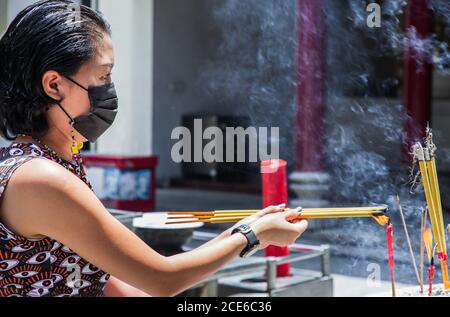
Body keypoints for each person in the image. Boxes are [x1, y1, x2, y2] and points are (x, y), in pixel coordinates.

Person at [0, 0, 308, 297]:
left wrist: (245, 229)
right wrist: (253, 235)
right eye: (103, 76)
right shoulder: (40, 177)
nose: (110, 89)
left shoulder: (59, 162)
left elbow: (102, 280)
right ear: (54, 85)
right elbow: (162, 278)